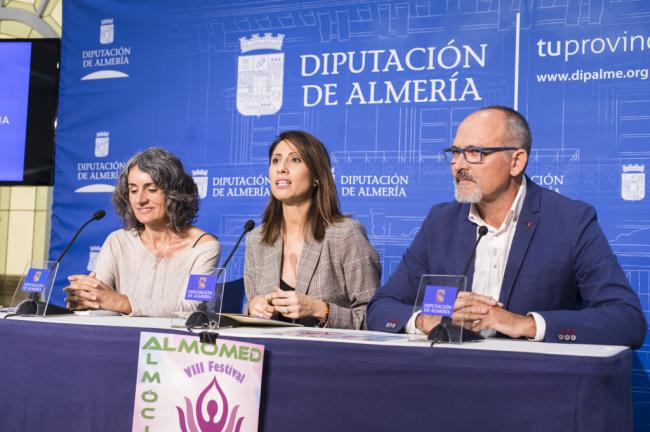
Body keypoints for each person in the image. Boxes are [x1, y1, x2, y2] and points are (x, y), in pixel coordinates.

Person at [367, 106, 647, 347]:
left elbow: (627, 319)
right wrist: (428, 320)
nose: (458, 165)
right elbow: (381, 308)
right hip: (446, 380)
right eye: (455, 152)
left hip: (532, 389)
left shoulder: (570, 220)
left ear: (516, 161)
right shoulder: (441, 222)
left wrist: (525, 324)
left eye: (474, 152)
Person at [244, 130, 381, 329]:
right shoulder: (257, 239)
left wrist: (320, 310)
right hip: (269, 354)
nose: (281, 168)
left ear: (316, 176)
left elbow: (375, 318)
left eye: (295, 160)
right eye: (275, 161)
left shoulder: (345, 235)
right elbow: (250, 315)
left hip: (327, 356)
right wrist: (252, 307)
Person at [64, 147, 221, 317]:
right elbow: (102, 304)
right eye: (133, 190)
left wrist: (121, 302)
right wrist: (88, 297)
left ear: (175, 193)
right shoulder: (118, 241)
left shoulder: (204, 247)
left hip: (172, 342)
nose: (140, 200)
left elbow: (192, 309)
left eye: (151, 189)